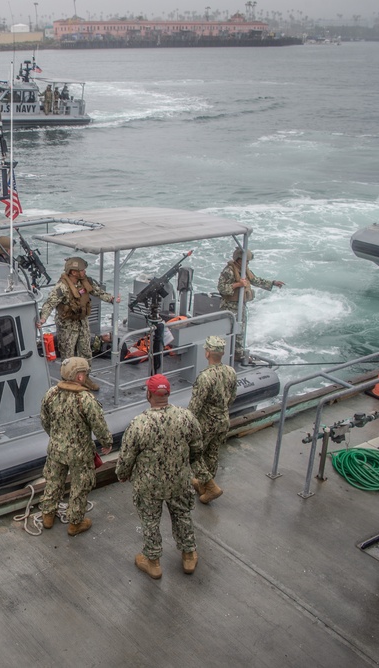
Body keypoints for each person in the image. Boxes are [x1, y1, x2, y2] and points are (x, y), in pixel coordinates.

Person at [115, 374, 205, 579]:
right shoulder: (186, 417)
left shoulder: (139, 424)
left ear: (148, 394)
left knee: (150, 522)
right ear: (169, 393)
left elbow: (126, 458)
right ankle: (189, 555)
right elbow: (197, 448)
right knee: (182, 515)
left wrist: (123, 475)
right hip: (180, 481)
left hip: (149, 486)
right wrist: (184, 466)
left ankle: (153, 562)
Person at [38, 357, 113, 536]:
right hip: (80, 453)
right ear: (79, 377)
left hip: (56, 449)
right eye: (84, 373)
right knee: (80, 486)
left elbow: (44, 420)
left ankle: (48, 515)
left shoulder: (51, 394)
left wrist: (56, 437)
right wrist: (107, 443)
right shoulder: (85, 399)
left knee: (53, 481)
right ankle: (75, 523)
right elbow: (99, 425)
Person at [37, 257, 121, 390]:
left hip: (82, 322)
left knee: (86, 351)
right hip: (67, 325)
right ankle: (67, 383)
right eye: (81, 270)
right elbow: (49, 304)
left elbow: (97, 292)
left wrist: (111, 299)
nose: (84, 272)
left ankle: (85, 378)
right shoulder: (62, 287)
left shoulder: (85, 282)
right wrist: (43, 319)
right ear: (73, 272)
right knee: (68, 356)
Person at [188, 335, 237, 504]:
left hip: (206, 423)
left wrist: (187, 424)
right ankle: (204, 487)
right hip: (223, 420)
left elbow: (195, 406)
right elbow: (232, 398)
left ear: (207, 353)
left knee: (193, 454)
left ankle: (211, 486)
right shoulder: (231, 371)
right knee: (212, 453)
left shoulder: (205, 377)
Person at [217, 247, 285, 362]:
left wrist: (273, 283)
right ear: (238, 260)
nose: (247, 263)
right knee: (229, 330)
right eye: (246, 261)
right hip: (229, 306)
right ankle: (226, 352)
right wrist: (237, 284)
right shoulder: (229, 271)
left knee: (240, 331)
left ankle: (237, 353)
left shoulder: (244, 270)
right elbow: (221, 288)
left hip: (240, 305)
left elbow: (255, 280)